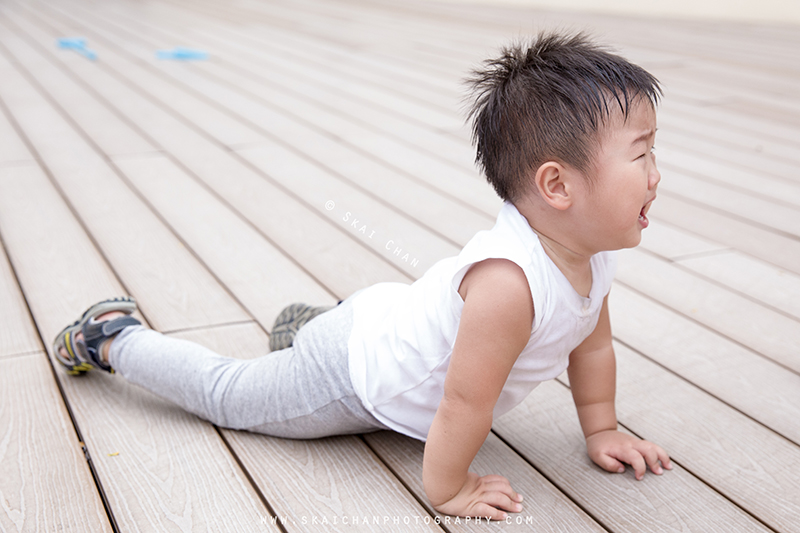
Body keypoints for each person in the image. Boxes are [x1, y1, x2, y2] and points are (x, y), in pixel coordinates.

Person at [54, 32, 672, 520]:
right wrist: (449, 487)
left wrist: (603, 428)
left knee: (338, 336)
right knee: (229, 395)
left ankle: (304, 326)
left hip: (386, 323)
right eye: (640, 154)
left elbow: (592, 344)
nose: (656, 173)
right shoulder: (509, 287)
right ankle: (112, 336)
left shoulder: (592, 252)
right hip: (351, 375)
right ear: (557, 185)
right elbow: (463, 401)